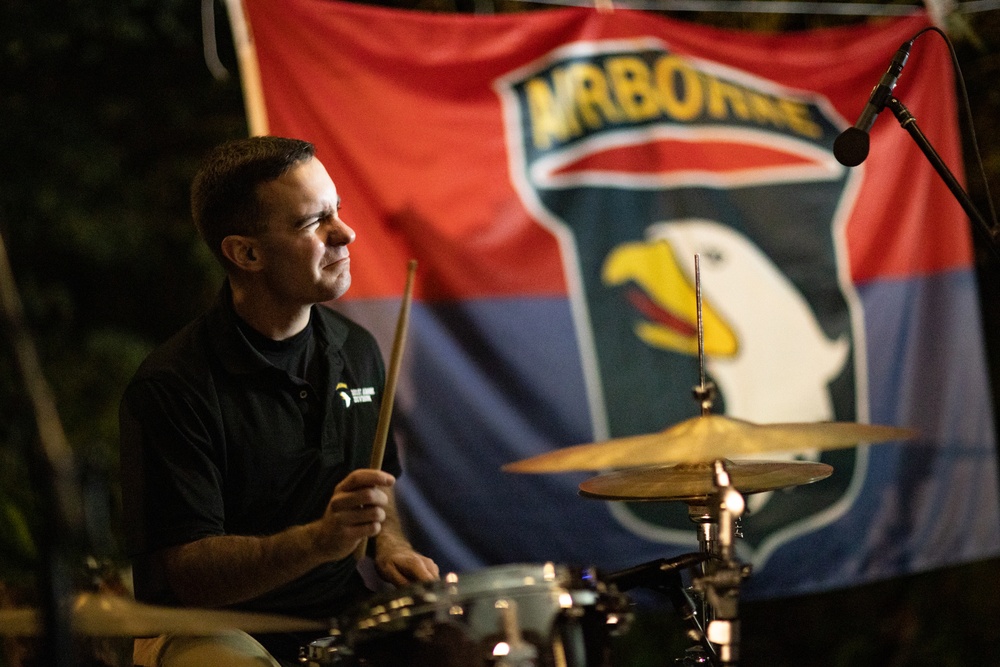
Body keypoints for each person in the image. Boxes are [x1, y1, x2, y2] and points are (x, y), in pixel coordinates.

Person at [119, 136, 439, 666]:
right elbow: (188, 573)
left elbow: (376, 489)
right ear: (246, 253)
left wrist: (391, 546)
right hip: (211, 627)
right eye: (314, 222)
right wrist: (319, 541)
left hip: (335, 618)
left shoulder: (356, 351)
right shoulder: (172, 387)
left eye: (338, 210)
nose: (346, 232)